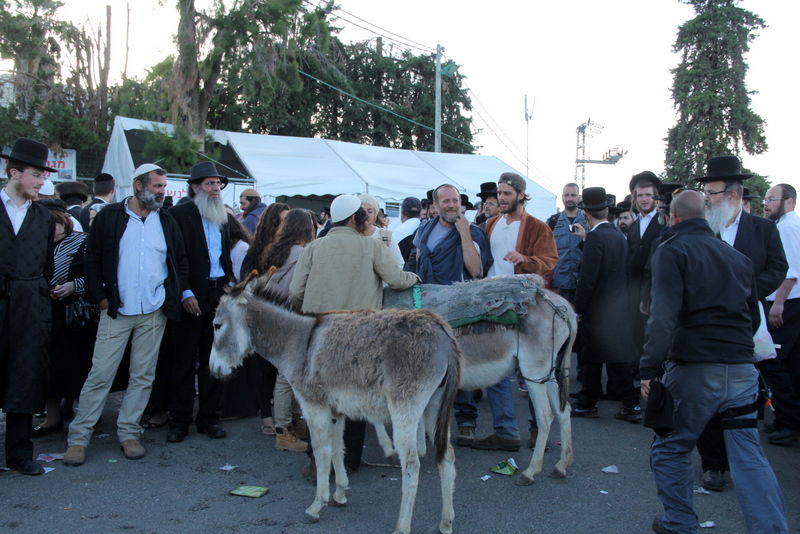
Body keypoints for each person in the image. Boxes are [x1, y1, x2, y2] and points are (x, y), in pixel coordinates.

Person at [640, 189, 789, 534]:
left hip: (695, 367)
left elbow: (663, 317)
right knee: (748, 455)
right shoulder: (737, 258)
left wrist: (649, 368)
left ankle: (679, 523)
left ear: (673, 217)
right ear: (705, 217)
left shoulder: (671, 250)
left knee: (670, 447)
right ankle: (771, 528)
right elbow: (753, 318)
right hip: (741, 369)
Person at [63, 163, 188, 466]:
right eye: (157, 186)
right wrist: (100, 298)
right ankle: (79, 438)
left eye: (163, 186)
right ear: (138, 185)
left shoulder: (166, 220)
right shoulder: (110, 217)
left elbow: (179, 261)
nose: (162, 192)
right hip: (117, 310)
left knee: (143, 376)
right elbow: (92, 259)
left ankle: (129, 433)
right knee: (100, 374)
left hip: (153, 311)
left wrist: (170, 297)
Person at [290, 194, 420, 472]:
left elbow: (295, 291)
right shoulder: (370, 246)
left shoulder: (314, 247)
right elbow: (397, 280)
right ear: (353, 218)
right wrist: (415, 277)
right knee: (355, 398)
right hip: (360, 337)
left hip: (319, 336)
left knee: (319, 399)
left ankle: (316, 459)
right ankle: (348, 461)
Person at [696, 156, 788, 491]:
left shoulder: (763, 229)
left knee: (743, 395)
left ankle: (742, 460)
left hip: (746, 325)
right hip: (707, 326)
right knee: (708, 393)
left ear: (733, 194)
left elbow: (778, 268)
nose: (706, 198)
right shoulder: (701, 228)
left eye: (712, 192)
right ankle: (713, 464)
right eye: (705, 192)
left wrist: (746, 292)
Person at [472, 172, 558, 452]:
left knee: (532, 369)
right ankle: (505, 431)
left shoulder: (537, 227)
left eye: (507, 193)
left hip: (525, 304)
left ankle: (537, 430)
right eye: (499, 193)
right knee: (496, 368)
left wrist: (526, 259)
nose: (501, 198)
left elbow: (550, 260)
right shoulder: (491, 224)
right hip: (493, 303)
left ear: (521, 195)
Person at [415, 183, 492, 446]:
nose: (451, 205)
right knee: (430, 365)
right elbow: (418, 260)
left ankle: (467, 420)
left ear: (461, 203)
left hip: (459, 307)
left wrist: (464, 235)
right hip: (429, 307)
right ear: (435, 205)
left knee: (460, 365)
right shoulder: (425, 230)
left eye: (455, 200)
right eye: (445, 201)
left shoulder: (474, 232)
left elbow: (476, 270)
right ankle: (432, 422)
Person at [165, 162, 235, 443]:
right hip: (190, 295)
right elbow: (172, 258)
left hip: (217, 294)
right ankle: (179, 420)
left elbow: (222, 256)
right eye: (210, 184)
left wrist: (229, 287)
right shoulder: (179, 214)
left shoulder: (222, 215)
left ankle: (209, 418)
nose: (216, 188)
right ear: (195, 187)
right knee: (183, 360)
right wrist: (185, 292)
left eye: (218, 184)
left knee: (214, 358)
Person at [0, 137, 56, 475]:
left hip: (29, 308)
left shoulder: (43, 217)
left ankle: (20, 454)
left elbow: (46, 266)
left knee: (24, 377)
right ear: (14, 172)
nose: (41, 182)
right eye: (36, 175)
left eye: (43, 175)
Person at [569, 188, 640, 421]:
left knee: (591, 358)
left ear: (586, 214)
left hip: (597, 308)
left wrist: (578, 308)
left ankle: (589, 402)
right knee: (616, 358)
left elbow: (587, 279)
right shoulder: (619, 236)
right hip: (618, 306)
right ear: (607, 211)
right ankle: (629, 404)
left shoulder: (595, 238)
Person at [32, 200, 95, 438]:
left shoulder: (83, 241)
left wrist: (73, 286)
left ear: (66, 221)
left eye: (57, 222)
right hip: (45, 314)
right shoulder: (35, 243)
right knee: (48, 368)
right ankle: (53, 417)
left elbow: (96, 276)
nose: (53, 228)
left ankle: (82, 413)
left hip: (75, 316)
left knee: (79, 366)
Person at [260, 209, 317, 452]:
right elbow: (298, 290)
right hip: (289, 317)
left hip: (272, 316)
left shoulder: (274, 249)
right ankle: (283, 430)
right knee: (287, 377)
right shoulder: (302, 253)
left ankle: (292, 423)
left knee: (287, 374)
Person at [762, 183, 800, 446]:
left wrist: (778, 302)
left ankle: (788, 422)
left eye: (771, 199)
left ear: (788, 201)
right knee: (791, 363)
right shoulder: (786, 225)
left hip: (787, 305)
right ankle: (789, 420)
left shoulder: (787, 228)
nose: (766, 204)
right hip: (789, 304)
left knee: (775, 361)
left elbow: (791, 271)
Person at [627, 171, 665, 352]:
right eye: (640, 195)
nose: (644, 199)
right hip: (634, 292)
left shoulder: (663, 223)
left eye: (648, 195)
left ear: (656, 197)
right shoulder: (634, 226)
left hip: (656, 291)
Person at [547, 183, 585, 303]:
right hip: (559, 283)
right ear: (562, 197)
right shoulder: (553, 221)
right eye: (566, 195)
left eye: (573, 195)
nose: (569, 198)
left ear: (579, 197)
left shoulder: (587, 220)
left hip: (582, 282)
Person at [240, 202, 289, 277]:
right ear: (272, 223)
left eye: (288, 221)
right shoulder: (254, 252)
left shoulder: (290, 249)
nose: (287, 225)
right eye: (283, 221)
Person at [359, 193, 404, 267]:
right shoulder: (350, 234)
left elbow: (398, 264)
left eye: (370, 211)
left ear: (375, 215)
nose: (365, 215)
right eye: (362, 211)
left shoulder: (385, 236)